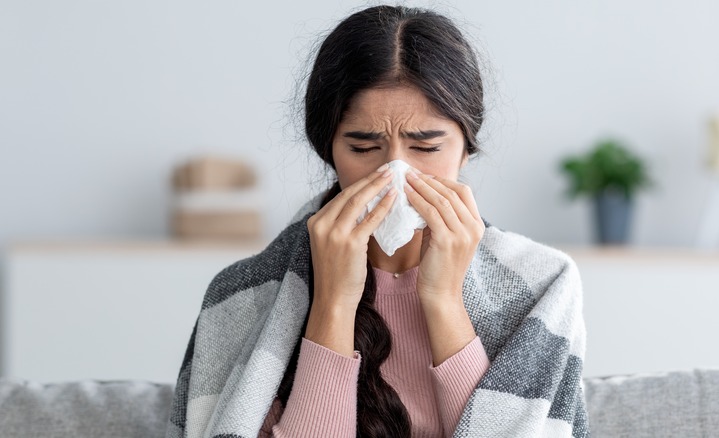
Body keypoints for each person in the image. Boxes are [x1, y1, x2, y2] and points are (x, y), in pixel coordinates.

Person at [167, 5, 588, 438]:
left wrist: (444, 301)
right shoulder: (240, 298)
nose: (394, 174)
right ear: (329, 151)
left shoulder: (543, 285)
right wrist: (332, 302)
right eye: (364, 148)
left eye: (425, 147)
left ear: (465, 149)